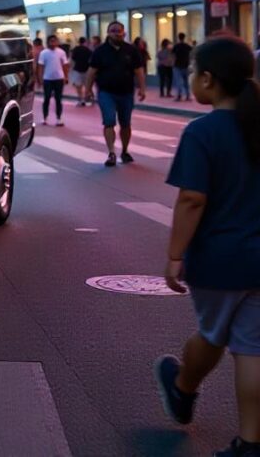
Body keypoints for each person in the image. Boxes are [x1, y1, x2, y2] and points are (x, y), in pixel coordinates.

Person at [154, 37, 260, 457]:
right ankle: (251, 443)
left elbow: (192, 199)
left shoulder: (203, 132)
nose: (192, 78)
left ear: (209, 81)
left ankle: (182, 386)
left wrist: (175, 254)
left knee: (213, 334)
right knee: (252, 349)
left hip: (219, 259)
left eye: (194, 71)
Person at [83, 21, 147, 166]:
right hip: (106, 93)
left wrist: (142, 88)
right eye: (113, 30)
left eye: (119, 31)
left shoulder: (131, 50)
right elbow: (92, 72)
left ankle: (125, 151)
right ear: (108, 33)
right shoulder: (100, 51)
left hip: (126, 93)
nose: (116, 33)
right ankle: (111, 152)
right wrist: (87, 90)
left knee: (125, 124)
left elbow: (139, 71)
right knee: (109, 121)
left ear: (123, 33)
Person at [37, 34, 69, 126]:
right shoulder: (44, 53)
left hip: (59, 78)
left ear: (57, 42)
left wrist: (66, 77)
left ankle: (59, 118)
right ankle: (45, 117)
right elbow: (41, 67)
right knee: (46, 98)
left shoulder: (61, 52)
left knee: (58, 99)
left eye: (55, 41)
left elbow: (65, 65)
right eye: (51, 41)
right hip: (47, 79)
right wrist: (40, 79)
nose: (53, 43)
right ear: (48, 42)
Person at [70, 36, 93, 106]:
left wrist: (72, 69)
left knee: (78, 86)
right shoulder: (88, 50)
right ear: (85, 42)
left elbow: (72, 60)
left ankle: (80, 100)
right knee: (87, 86)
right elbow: (91, 61)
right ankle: (87, 99)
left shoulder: (75, 49)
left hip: (77, 70)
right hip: (87, 70)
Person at [173, 32, 194, 102]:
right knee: (186, 82)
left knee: (179, 81)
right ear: (184, 37)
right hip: (185, 65)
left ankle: (179, 96)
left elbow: (172, 54)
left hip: (177, 65)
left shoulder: (176, 46)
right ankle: (188, 96)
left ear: (178, 38)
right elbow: (192, 50)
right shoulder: (187, 46)